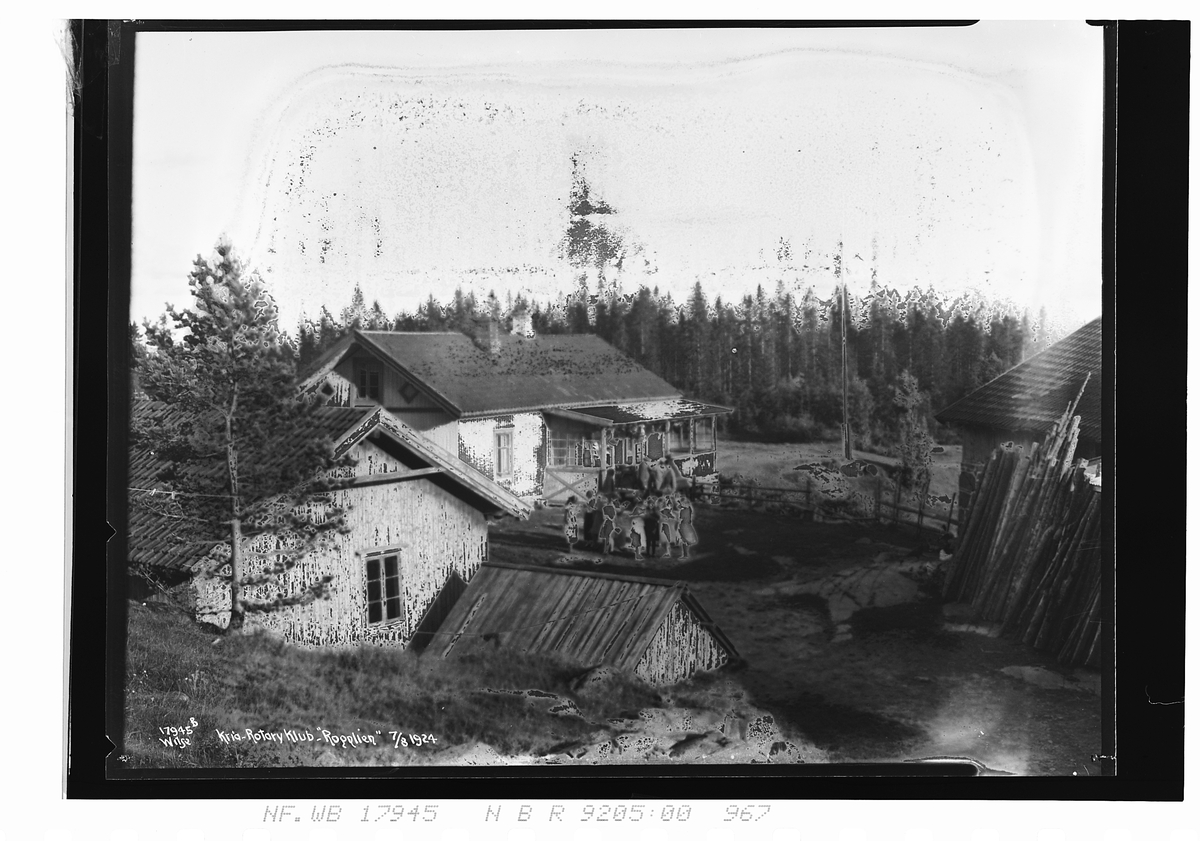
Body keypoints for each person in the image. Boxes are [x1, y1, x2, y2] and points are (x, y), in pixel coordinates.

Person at [675, 492, 698, 558]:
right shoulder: (689, 509)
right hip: (688, 525)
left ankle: (685, 555)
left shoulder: (683, 511)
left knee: (684, 541)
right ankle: (686, 554)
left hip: (683, 526)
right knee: (686, 541)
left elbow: (680, 519)